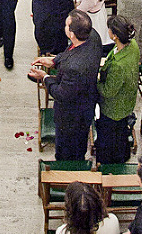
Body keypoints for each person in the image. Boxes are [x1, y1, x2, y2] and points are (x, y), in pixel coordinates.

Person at [30, 11, 102, 159]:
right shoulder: (92, 36)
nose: (65, 26)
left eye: (67, 25)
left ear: (72, 34)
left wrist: (45, 77)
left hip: (72, 117)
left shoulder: (75, 68)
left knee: (68, 150)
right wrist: (54, 61)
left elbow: (61, 93)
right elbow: (70, 52)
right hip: (85, 102)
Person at [96, 16, 139, 163]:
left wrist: (96, 82)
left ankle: (110, 161)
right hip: (127, 100)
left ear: (114, 35)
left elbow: (108, 91)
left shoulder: (119, 66)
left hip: (114, 108)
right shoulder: (132, 45)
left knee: (111, 137)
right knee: (120, 133)